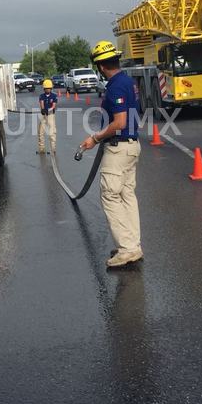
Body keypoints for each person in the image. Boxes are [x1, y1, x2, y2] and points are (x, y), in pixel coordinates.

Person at [80, 40, 142, 268]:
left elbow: (120, 122)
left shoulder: (115, 85)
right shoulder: (126, 81)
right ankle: (133, 245)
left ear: (101, 66)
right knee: (126, 195)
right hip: (130, 145)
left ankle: (127, 249)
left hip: (119, 149)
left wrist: (95, 138)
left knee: (110, 196)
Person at [37, 79, 57, 154]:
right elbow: (41, 103)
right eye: (46, 88)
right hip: (43, 115)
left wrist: (49, 110)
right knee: (40, 132)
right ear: (44, 89)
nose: (48, 89)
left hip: (51, 115)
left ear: (51, 88)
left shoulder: (54, 96)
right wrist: (43, 109)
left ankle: (53, 149)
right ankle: (41, 149)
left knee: (52, 132)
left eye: (49, 88)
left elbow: (54, 105)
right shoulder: (42, 96)